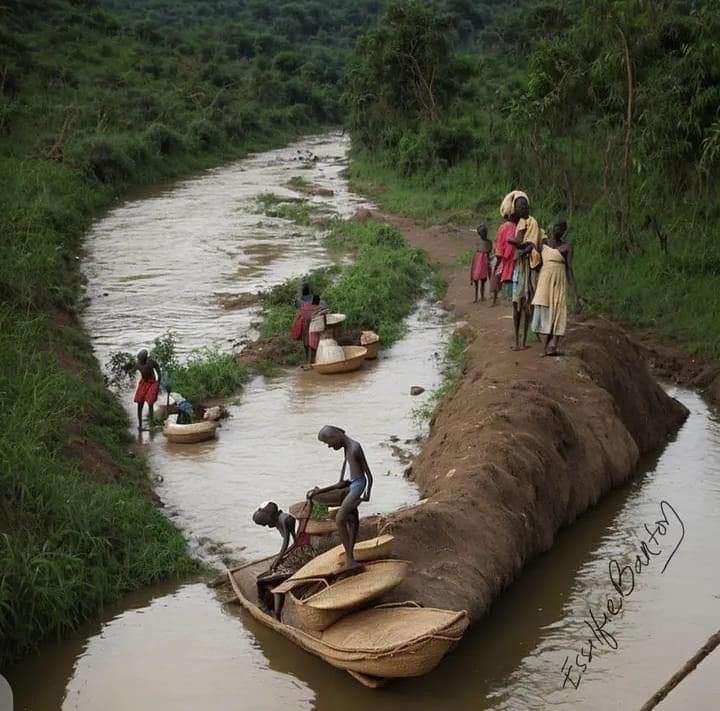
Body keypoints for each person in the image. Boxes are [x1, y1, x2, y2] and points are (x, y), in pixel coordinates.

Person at [308, 426, 373, 570]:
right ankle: (351, 556)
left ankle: (350, 559)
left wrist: (367, 492)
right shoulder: (347, 447)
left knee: (340, 519)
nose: (330, 446)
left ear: (334, 437)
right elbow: (343, 476)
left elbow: (368, 474)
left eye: (329, 443)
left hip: (358, 486)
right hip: (351, 484)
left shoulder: (355, 447)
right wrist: (322, 491)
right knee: (352, 517)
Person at [531, 220, 581, 356]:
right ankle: (545, 345)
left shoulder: (567, 247)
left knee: (558, 309)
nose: (557, 230)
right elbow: (536, 261)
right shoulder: (544, 244)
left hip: (559, 281)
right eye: (556, 227)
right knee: (545, 308)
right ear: (552, 228)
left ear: (564, 231)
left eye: (561, 228)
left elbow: (569, 269)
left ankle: (554, 343)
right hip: (544, 280)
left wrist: (576, 295)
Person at [504, 192, 542, 350]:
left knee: (525, 303)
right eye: (519, 206)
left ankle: (523, 341)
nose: (522, 208)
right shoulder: (521, 223)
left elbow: (530, 245)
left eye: (524, 205)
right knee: (516, 303)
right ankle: (518, 342)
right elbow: (526, 244)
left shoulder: (531, 222)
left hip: (527, 266)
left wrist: (515, 243)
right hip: (520, 267)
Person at [494, 206, 519, 306]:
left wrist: (498, 259)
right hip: (516, 258)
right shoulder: (518, 226)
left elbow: (500, 246)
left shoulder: (503, 227)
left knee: (498, 274)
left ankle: (497, 298)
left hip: (505, 258)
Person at [134, 349, 161, 429]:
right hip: (143, 382)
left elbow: (158, 369)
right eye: (139, 359)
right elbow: (131, 371)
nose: (140, 361)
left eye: (141, 359)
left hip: (152, 382)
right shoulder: (137, 364)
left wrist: (159, 381)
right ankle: (140, 423)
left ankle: (151, 423)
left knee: (150, 402)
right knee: (139, 401)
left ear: (145, 358)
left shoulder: (151, 362)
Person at [470, 224, 492, 303]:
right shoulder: (480, 241)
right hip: (478, 261)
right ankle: (476, 297)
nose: (483, 234)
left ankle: (482, 296)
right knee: (476, 279)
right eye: (482, 233)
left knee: (483, 280)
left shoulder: (489, 242)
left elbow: (489, 252)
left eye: (484, 233)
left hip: (484, 261)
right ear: (479, 234)